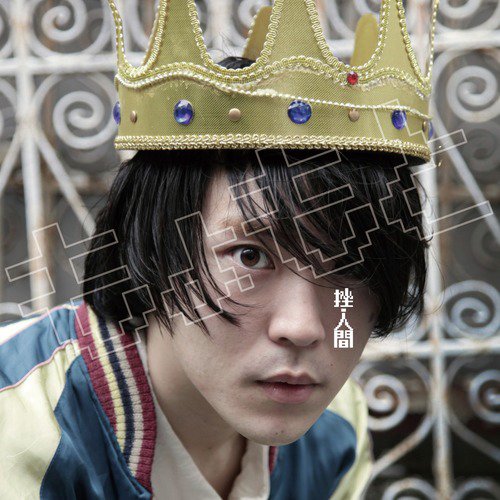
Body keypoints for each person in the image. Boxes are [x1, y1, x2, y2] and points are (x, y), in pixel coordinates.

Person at [0, 0, 437, 497]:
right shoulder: (19, 424)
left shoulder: (336, 429)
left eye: (349, 264)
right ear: (152, 248)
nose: (301, 328)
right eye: (250, 256)